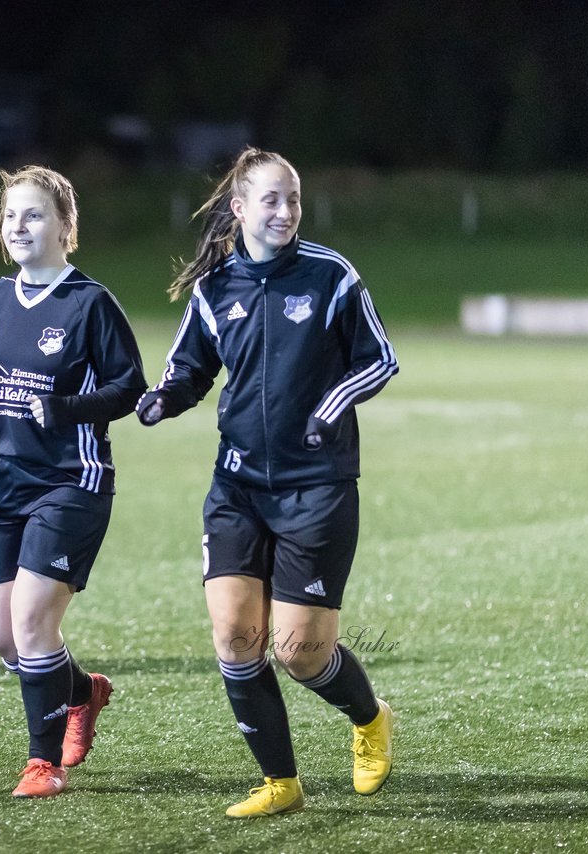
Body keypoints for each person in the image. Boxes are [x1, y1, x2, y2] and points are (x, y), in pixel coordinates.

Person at [136, 147, 399, 817]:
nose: (285, 212)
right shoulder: (214, 287)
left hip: (318, 489)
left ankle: (369, 720)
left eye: (294, 200)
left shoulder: (330, 275)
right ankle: (280, 782)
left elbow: (379, 360)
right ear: (240, 209)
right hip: (237, 488)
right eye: (272, 200)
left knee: (300, 653)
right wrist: (167, 398)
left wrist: (326, 412)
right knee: (233, 637)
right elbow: (191, 369)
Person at [0, 166, 145, 798]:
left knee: (31, 623)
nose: (20, 226)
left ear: (65, 226)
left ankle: (42, 762)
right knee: (2, 637)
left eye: (34, 215)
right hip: (2, 485)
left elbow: (130, 388)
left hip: (71, 483)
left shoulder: (90, 303)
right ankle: (84, 692)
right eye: (11, 216)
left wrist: (64, 409)